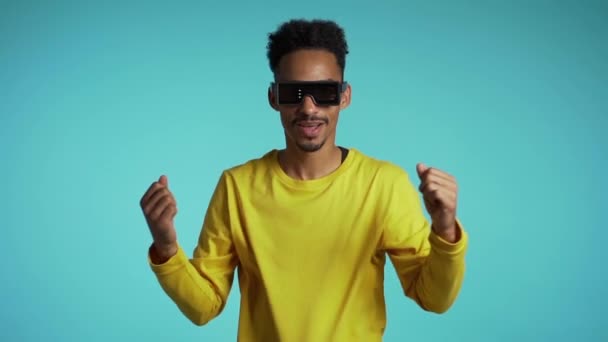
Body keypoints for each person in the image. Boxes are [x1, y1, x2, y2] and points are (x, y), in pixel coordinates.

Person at [140, 18, 468, 342]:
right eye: (293, 92)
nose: (308, 107)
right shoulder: (237, 187)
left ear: (345, 96)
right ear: (273, 98)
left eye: (323, 92)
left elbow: (434, 299)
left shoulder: (383, 185)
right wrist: (167, 248)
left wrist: (445, 227)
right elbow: (204, 307)